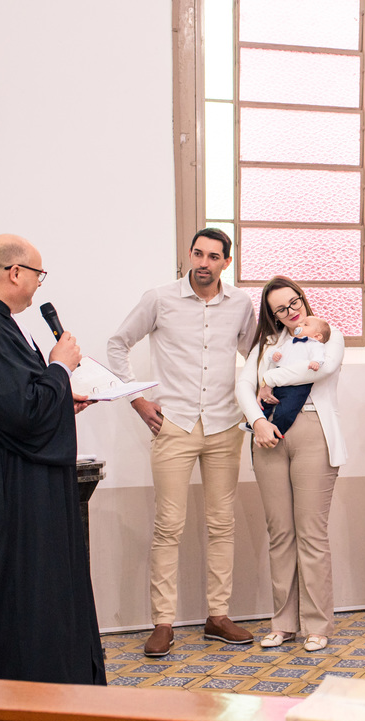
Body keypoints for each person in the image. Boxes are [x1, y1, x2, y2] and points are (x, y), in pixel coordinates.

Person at [0, 234, 105, 684]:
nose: (37, 286)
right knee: (17, 608)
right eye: (37, 275)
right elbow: (23, 414)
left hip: (14, 492)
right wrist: (60, 367)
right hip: (1, 503)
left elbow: (14, 403)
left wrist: (59, 398)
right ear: (14, 273)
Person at [108, 228, 256, 656]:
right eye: (198, 254)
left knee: (222, 524)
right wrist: (137, 399)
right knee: (168, 526)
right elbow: (118, 344)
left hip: (225, 425)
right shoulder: (159, 299)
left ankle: (218, 616)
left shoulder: (241, 304)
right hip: (173, 425)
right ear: (189, 255)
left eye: (213, 256)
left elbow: (255, 356)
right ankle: (163, 623)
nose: (204, 263)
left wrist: (259, 395)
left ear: (226, 262)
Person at [236, 277, 347, 652]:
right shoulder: (267, 343)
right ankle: (283, 623)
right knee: (280, 534)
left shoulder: (328, 334)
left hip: (314, 431)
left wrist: (267, 378)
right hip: (269, 436)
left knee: (311, 534)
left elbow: (318, 371)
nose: (291, 311)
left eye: (294, 302)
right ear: (272, 314)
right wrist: (257, 422)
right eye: (280, 309)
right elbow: (243, 386)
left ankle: (317, 624)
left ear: (303, 298)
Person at [251, 315, 331, 433]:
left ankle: (277, 430)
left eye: (305, 324)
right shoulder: (289, 342)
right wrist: (274, 355)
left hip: (297, 383)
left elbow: (319, 355)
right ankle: (254, 423)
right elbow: (276, 353)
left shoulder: (315, 344)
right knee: (266, 401)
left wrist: (316, 362)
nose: (299, 325)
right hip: (280, 377)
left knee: (287, 409)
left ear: (317, 336)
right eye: (301, 323)